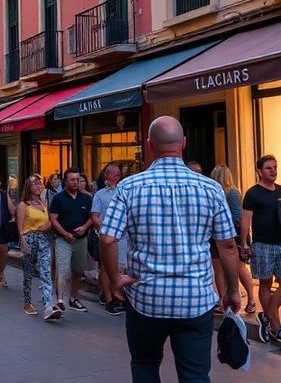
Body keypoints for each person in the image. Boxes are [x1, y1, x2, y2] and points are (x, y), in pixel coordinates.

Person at [99, 116, 241, 382]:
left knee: (144, 364)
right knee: (195, 375)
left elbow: (107, 239)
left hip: (146, 298)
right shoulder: (211, 188)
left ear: (150, 145)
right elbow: (228, 246)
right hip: (195, 300)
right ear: (184, 144)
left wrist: (115, 280)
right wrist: (232, 290)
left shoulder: (129, 187)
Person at [241, 154, 281, 344]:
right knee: (266, 284)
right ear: (260, 171)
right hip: (262, 244)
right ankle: (277, 327)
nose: (273, 170)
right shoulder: (252, 193)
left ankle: (266, 316)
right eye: (269, 168)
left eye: (275, 167)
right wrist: (244, 243)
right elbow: (245, 220)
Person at [211, 165, 256, 314]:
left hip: (233, 236)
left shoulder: (231, 193)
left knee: (238, 268)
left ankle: (250, 299)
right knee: (222, 268)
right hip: (225, 235)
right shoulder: (229, 193)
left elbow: (237, 217)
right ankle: (226, 299)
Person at [16, 175, 61, 321]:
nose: (38, 186)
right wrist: (23, 242)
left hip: (43, 239)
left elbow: (50, 221)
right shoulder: (24, 205)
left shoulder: (44, 203)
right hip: (29, 238)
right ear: (28, 187)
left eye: (39, 183)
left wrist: (48, 225)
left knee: (45, 271)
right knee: (28, 274)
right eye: (34, 184)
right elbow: (20, 226)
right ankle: (27, 302)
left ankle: (48, 305)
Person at [49, 167, 93, 312]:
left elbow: (92, 217)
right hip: (63, 239)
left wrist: (84, 227)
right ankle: (60, 300)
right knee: (62, 269)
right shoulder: (58, 198)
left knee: (78, 270)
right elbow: (53, 219)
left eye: (78, 180)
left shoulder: (86, 198)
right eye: (72, 180)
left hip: (81, 239)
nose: (76, 182)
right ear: (65, 181)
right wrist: (64, 233)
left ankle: (74, 297)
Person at [91, 163, 127, 316]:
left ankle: (118, 296)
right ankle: (108, 298)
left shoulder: (124, 191)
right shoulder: (100, 194)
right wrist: (104, 231)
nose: (117, 176)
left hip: (124, 237)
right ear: (107, 176)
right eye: (114, 174)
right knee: (106, 268)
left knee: (121, 268)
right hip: (108, 237)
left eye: (119, 174)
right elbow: (94, 215)